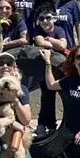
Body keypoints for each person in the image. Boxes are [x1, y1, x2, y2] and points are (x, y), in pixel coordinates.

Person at [30, 7, 70, 137]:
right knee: (47, 97)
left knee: (67, 98)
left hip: (62, 70)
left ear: (54, 19)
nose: (45, 21)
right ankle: (46, 125)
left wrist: (49, 39)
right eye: (41, 18)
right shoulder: (37, 30)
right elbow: (41, 43)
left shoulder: (60, 30)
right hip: (46, 70)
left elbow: (63, 45)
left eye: (48, 18)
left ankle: (63, 126)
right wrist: (52, 42)